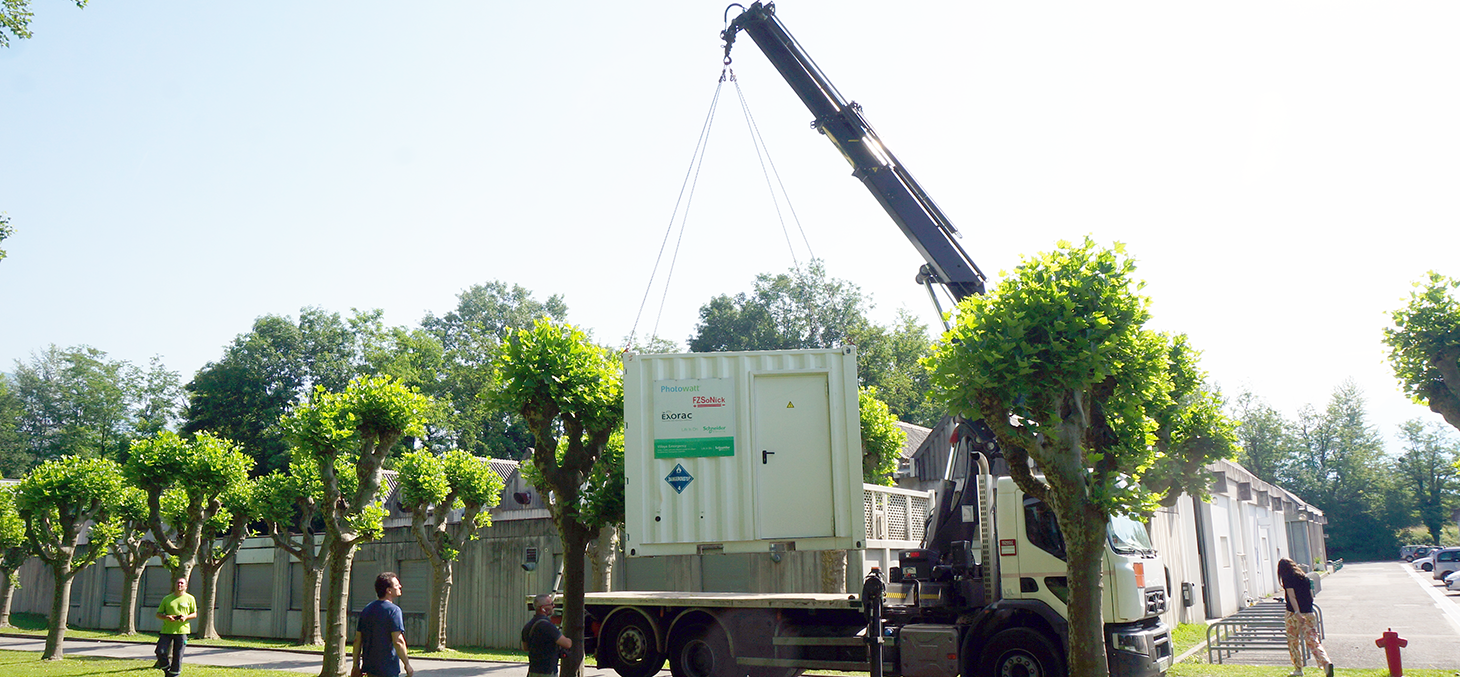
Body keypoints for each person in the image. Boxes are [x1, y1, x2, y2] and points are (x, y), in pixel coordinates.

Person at [352, 572, 414, 677]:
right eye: (396, 585)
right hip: (387, 669)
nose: (400, 586)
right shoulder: (394, 611)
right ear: (389, 590)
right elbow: (398, 641)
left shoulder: (367, 609)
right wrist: (407, 664)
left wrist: (355, 665)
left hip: (369, 669)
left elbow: (358, 640)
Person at [1278, 558, 1333, 677]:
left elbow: (1292, 597)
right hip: (1309, 612)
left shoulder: (1288, 578)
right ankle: (1326, 662)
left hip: (1293, 613)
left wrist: (1297, 612)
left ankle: (1298, 669)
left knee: (1293, 642)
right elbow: (1311, 595)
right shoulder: (1305, 578)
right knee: (1313, 640)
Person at [153, 576, 197, 677]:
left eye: (182, 583)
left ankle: (174, 675)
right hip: (167, 630)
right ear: (174, 585)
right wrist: (167, 617)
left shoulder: (190, 598)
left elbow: (194, 614)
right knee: (160, 651)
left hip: (182, 631)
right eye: (178, 583)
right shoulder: (167, 598)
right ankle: (166, 669)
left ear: (186, 586)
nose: (179, 585)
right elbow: (158, 614)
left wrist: (185, 617)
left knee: (178, 656)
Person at [522, 593, 572, 677]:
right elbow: (567, 644)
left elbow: (525, 648)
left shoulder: (528, 626)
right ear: (543, 608)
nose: (554, 606)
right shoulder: (548, 626)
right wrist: (570, 639)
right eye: (551, 604)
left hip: (533, 672)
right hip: (548, 672)